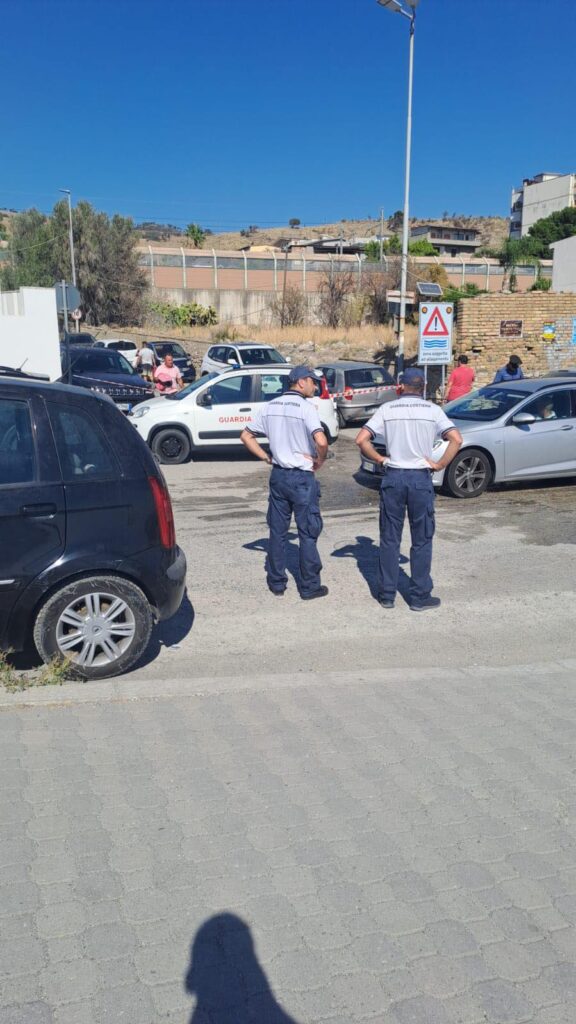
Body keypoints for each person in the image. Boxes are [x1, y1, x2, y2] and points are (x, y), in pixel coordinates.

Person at [355, 368, 462, 612]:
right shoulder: (433, 411)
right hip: (420, 479)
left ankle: (387, 595)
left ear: (401, 387)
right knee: (422, 539)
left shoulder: (387, 409)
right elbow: (456, 439)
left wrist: (381, 460)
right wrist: (440, 464)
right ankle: (419, 596)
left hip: (393, 477)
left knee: (390, 539)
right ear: (423, 387)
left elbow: (361, 439)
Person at [240, 365, 329, 600]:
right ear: (301, 382)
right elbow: (321, 440)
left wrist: (266, 457)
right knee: (307, 532)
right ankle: (309, 587)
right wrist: (320, 460)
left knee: (277, 532)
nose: (315, 385)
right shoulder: (306, 408)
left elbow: (246, 436)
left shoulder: (270, 407)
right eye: (312, 381)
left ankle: (277, 583)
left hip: (278, 476)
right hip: (301, 478)